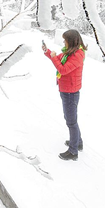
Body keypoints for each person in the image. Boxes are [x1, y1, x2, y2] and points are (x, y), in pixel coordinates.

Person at [42, 29, 87, 161]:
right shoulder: (70, 52)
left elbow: (63, 69)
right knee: (71, 119)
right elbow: (59, 59)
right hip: (67, 89)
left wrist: (54, 57)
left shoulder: (78, 55)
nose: (63, 42)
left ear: (71, 41)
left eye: (65, 40)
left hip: (70, 91)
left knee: (71, 121)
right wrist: (48, 52)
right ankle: (78, 142)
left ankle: (73, 152)